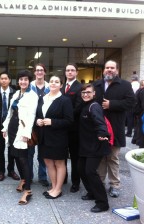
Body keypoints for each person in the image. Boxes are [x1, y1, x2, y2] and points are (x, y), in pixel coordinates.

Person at [94, 60, 135, 198]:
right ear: (103, 70)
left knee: (112, 157)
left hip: (115, 127)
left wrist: (112, 104)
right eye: (107, 67)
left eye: (112, 68)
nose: (109, 70)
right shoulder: (97, 84)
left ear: (117, 70)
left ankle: (114, 185)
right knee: (100, 157)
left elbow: (131, 103)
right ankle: (100, 183)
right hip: (99, 127)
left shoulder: (125, 85)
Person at [2, 70, 38, 205]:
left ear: (29, 81)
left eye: (26, 79)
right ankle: (23, 179)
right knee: (15, 155)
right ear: (18, 81)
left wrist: (27, 133)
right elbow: (10, 113)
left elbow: (32, 116)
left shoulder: (32, 96)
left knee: (24, 159)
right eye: (21, 79)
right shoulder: (16, 93)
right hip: (12, 127)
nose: (23, 82)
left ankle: (28, 190)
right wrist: (5, 127)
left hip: (22, 129)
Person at [36, 75, 73, 199]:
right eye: (51, 81)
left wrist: (53, 122)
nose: (53, 83)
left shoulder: (65, 100)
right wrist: (38, 121)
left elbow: (69, 121)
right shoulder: (42, 98)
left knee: (59, 163)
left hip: (58, 137)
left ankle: (58, 189)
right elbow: (38, 114)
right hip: (44, 136)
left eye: (56, 82)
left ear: (61, 85)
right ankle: (53, 186)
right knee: (48, 162)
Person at [78, 83, 111, 213]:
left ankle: (103, 203)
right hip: (85, 146)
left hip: (96, 145)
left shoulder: (94, 106)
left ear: (94, 94)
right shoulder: (84, 105)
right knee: (81, 169)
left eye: (88, 93)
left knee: (90, 172)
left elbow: (100, 122)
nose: (86, 95)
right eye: (83, 93)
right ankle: (92, 193)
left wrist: (103, 133)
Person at [0, 72, 20, 181]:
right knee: (1, 149)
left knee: (11, 149)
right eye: (2, 78)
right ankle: (1, 171)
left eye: (6, 78)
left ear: (9, 80)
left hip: (12, 126)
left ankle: (11, 170)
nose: (4, 80)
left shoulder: (15, 93)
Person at [61, 63, 82, 193]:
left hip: (74, 128)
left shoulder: (79, 87)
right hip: (62, 129)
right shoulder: (62, 87)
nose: (69, 72)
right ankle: (63, 177)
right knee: (62, 155)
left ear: (76, 72)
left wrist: (65, 116)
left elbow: (78, 107)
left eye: (72, 70)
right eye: (67, 70)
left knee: (75, 157)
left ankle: (75, 182)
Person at [29, 63, 49, 187]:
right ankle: (29, 176)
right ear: (35, 73)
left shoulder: (49, 86)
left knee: (42, 153)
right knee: (29, 153)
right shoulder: (29, 86)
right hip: (31, 124)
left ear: (44, 72)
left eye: (41, 70)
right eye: (37, 70)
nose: (39, 72)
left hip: (45, 124)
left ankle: (42, 176)